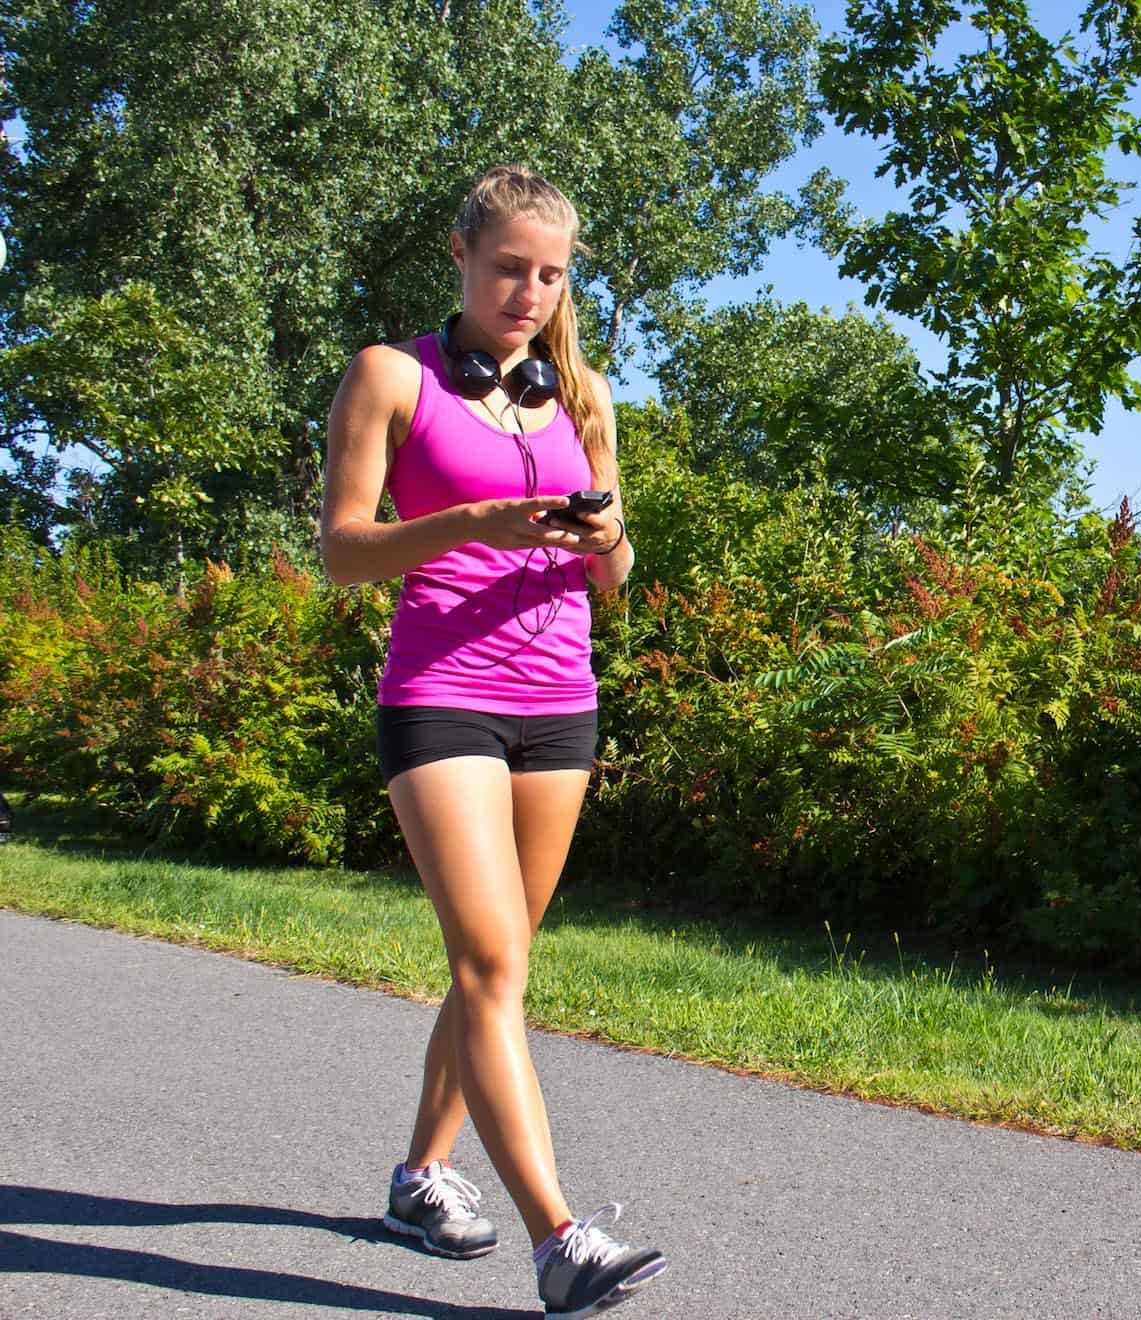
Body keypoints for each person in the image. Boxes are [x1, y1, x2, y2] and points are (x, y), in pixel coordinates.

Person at [318, 163, 667, 1319]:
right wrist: (468, 522)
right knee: (489, 966)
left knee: (499, 963)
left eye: (553, 275)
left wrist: (605, 536)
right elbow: (342, 551)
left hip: (560, 700)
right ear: (461, 255)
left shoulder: (584, 395)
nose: (531, 293)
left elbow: (616, 577)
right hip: (443, 696)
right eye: (511, 267)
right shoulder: (392, 376)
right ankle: (560, 1242)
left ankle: (421, 1177)